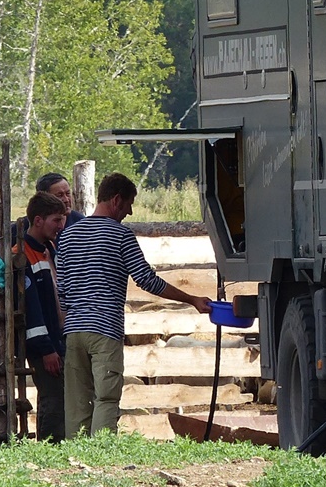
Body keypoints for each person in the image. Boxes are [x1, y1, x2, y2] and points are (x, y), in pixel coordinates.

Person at [56, 172, 210, 438]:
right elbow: (147, 280)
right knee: (106, 397)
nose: (129, 211)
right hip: (105, 329)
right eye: (128, 204)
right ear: (116, 200)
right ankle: (100, 452)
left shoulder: (68, 236)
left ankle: (74, 456)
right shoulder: (121, 236)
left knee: (76, 402)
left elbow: (62, 291)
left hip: (74, 329)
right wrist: (192, 299)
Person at [20, 191, 69, 442]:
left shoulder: (49, 248)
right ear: (38, 220)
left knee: (60, 393)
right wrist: (45, 348)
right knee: (52, 395)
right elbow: (33, 306)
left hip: (58, 336)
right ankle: (51, 446)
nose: (61, 226)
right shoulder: (23, 254)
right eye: (56, 220)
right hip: (44, 342)